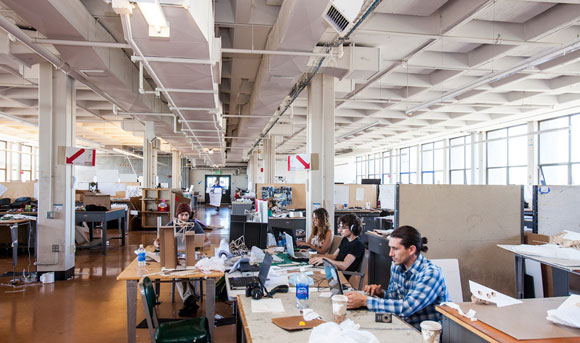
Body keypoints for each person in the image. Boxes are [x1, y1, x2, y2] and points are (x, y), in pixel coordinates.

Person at [345, 225, 449, 330]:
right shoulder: (396, 266)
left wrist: (365, 301)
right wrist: (382, 293)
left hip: (423, 332)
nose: (390, 254)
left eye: (395, 249)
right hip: (401, 323)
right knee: (357, 325)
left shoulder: (431, 274)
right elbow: (395, 297)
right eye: (390, 248)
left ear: (411, 249)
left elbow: (406, 307)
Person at [154, 202, 210, 316]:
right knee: (176, 269)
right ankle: (191, 299)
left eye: (186, 215)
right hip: (176, 256)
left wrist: (198, 244)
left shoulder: (194, 224)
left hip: (192, 255)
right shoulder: (171, 224)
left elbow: (207, 241)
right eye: (182, 215)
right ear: (177, 215)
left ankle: (189, 300)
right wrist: (159, 244)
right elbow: (156, 242)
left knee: (194, 269)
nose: (184, 218)